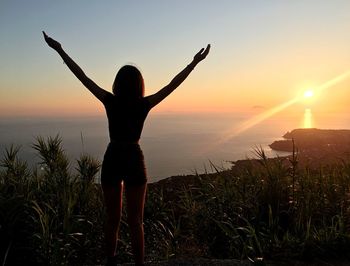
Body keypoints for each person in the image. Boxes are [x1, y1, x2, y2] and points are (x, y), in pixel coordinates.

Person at [43, 31, 210, 265]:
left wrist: (59, 50)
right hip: (134, 158)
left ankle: (111, 261)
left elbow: (83, 77)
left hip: (113, 157)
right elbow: (172, 85)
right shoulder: (144, 104)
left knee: (112, 219)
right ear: (139, 85)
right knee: (136, 221)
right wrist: (194, 63)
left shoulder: (110, 101)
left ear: (117, 84)